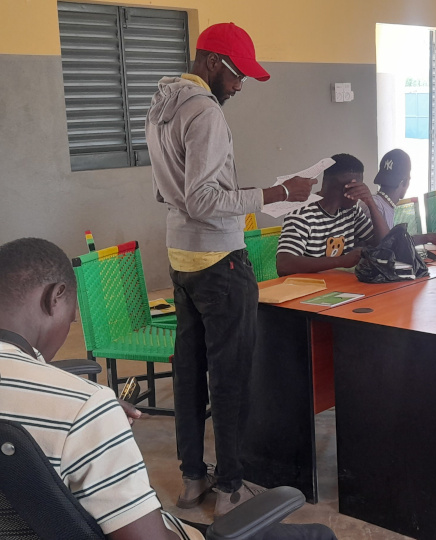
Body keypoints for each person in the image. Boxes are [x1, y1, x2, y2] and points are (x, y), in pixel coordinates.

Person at [0, 238, 335, 540]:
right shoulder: (84, 409)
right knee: (314, 535)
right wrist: (95, 420)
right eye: (72, 313)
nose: (70, 326)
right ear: (55, 297)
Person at [144, 22, 317, 513]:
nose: (240, 87)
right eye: (238, 75)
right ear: (213, 63)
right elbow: (203, 198)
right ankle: (230, 488)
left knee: (189, 374)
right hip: (220, 261)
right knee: (231, 378)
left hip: (181, 259)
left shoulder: (160, 106)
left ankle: (192, 480)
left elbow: (166, 191)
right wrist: (280, 193)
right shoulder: (206, 113)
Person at [276, 154, 389, 276]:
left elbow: (386, 243)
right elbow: (284, 264)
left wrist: (370, 203)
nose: (360, 194)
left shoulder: (352, 211)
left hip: (341, 288)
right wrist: (340, 261)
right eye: (358, 188)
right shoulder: (302, 214)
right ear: (348, 188)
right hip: (308, 289)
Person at [369, 149, 436, 250]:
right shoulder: (374, 207)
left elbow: (395, 241)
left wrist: (429, 237)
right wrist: (429, 237)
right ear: (405, 182)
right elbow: (387, 246)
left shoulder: (382, 203)